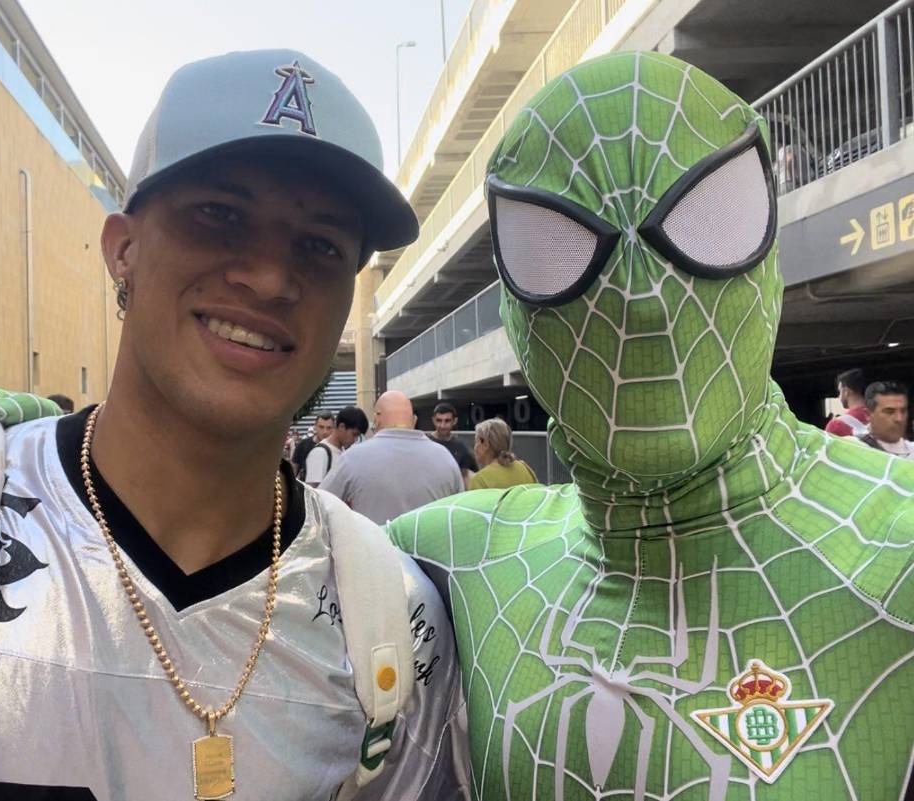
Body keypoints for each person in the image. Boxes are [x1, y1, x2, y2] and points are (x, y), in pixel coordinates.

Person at [0, 49, 468, 800]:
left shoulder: (398, 628)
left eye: (321, 244)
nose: (270, 277)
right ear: (122, 249)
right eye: (220, 214)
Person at [385, 52, 914, 800]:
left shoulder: (901, 544)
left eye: (706, 223)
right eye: (559, 248)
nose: (641, 298)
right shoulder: (448, 556)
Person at [320, 391, 463, 524]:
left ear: (377, 418)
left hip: (373, 542)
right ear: (414, 420)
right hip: (429, 543)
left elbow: (319, 506)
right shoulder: (445, 458)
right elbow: (460, 515)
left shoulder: (352, 458)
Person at [303, 406, 368, 487]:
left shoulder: (341, 450)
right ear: (342, 427)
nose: (355, 440)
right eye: (354, 434)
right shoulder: (320, 453)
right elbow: (312, 491)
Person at [467, 418, 536, 490]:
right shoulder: (525, 468)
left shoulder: (480, 480)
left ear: (485, 444)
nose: (474, 447)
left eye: (476, 441)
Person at [858, 380, 914, 458]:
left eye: (903, 411)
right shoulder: (850, 447)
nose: (899, 419)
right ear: (867, 414)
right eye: (889, 412)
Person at [428, 402, 478, 479]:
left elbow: (467, 475)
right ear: (433, 420)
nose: (442, 425)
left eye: (447, 421)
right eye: (439, 420)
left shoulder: (461, 448)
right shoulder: (424, 442)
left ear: (455, 421)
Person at [826, 367, 870, 436]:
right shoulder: (884, 417)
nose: (839, 396)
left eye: (840, 391)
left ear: (846, 391)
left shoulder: (836, 425)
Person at [291, 411, 334, 478]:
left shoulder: (337, 448)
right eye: (321, 427)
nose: (325, 431)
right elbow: (293, 472)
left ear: (333, 428)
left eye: (329, 428)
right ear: (315, 427)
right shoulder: (302, 445)